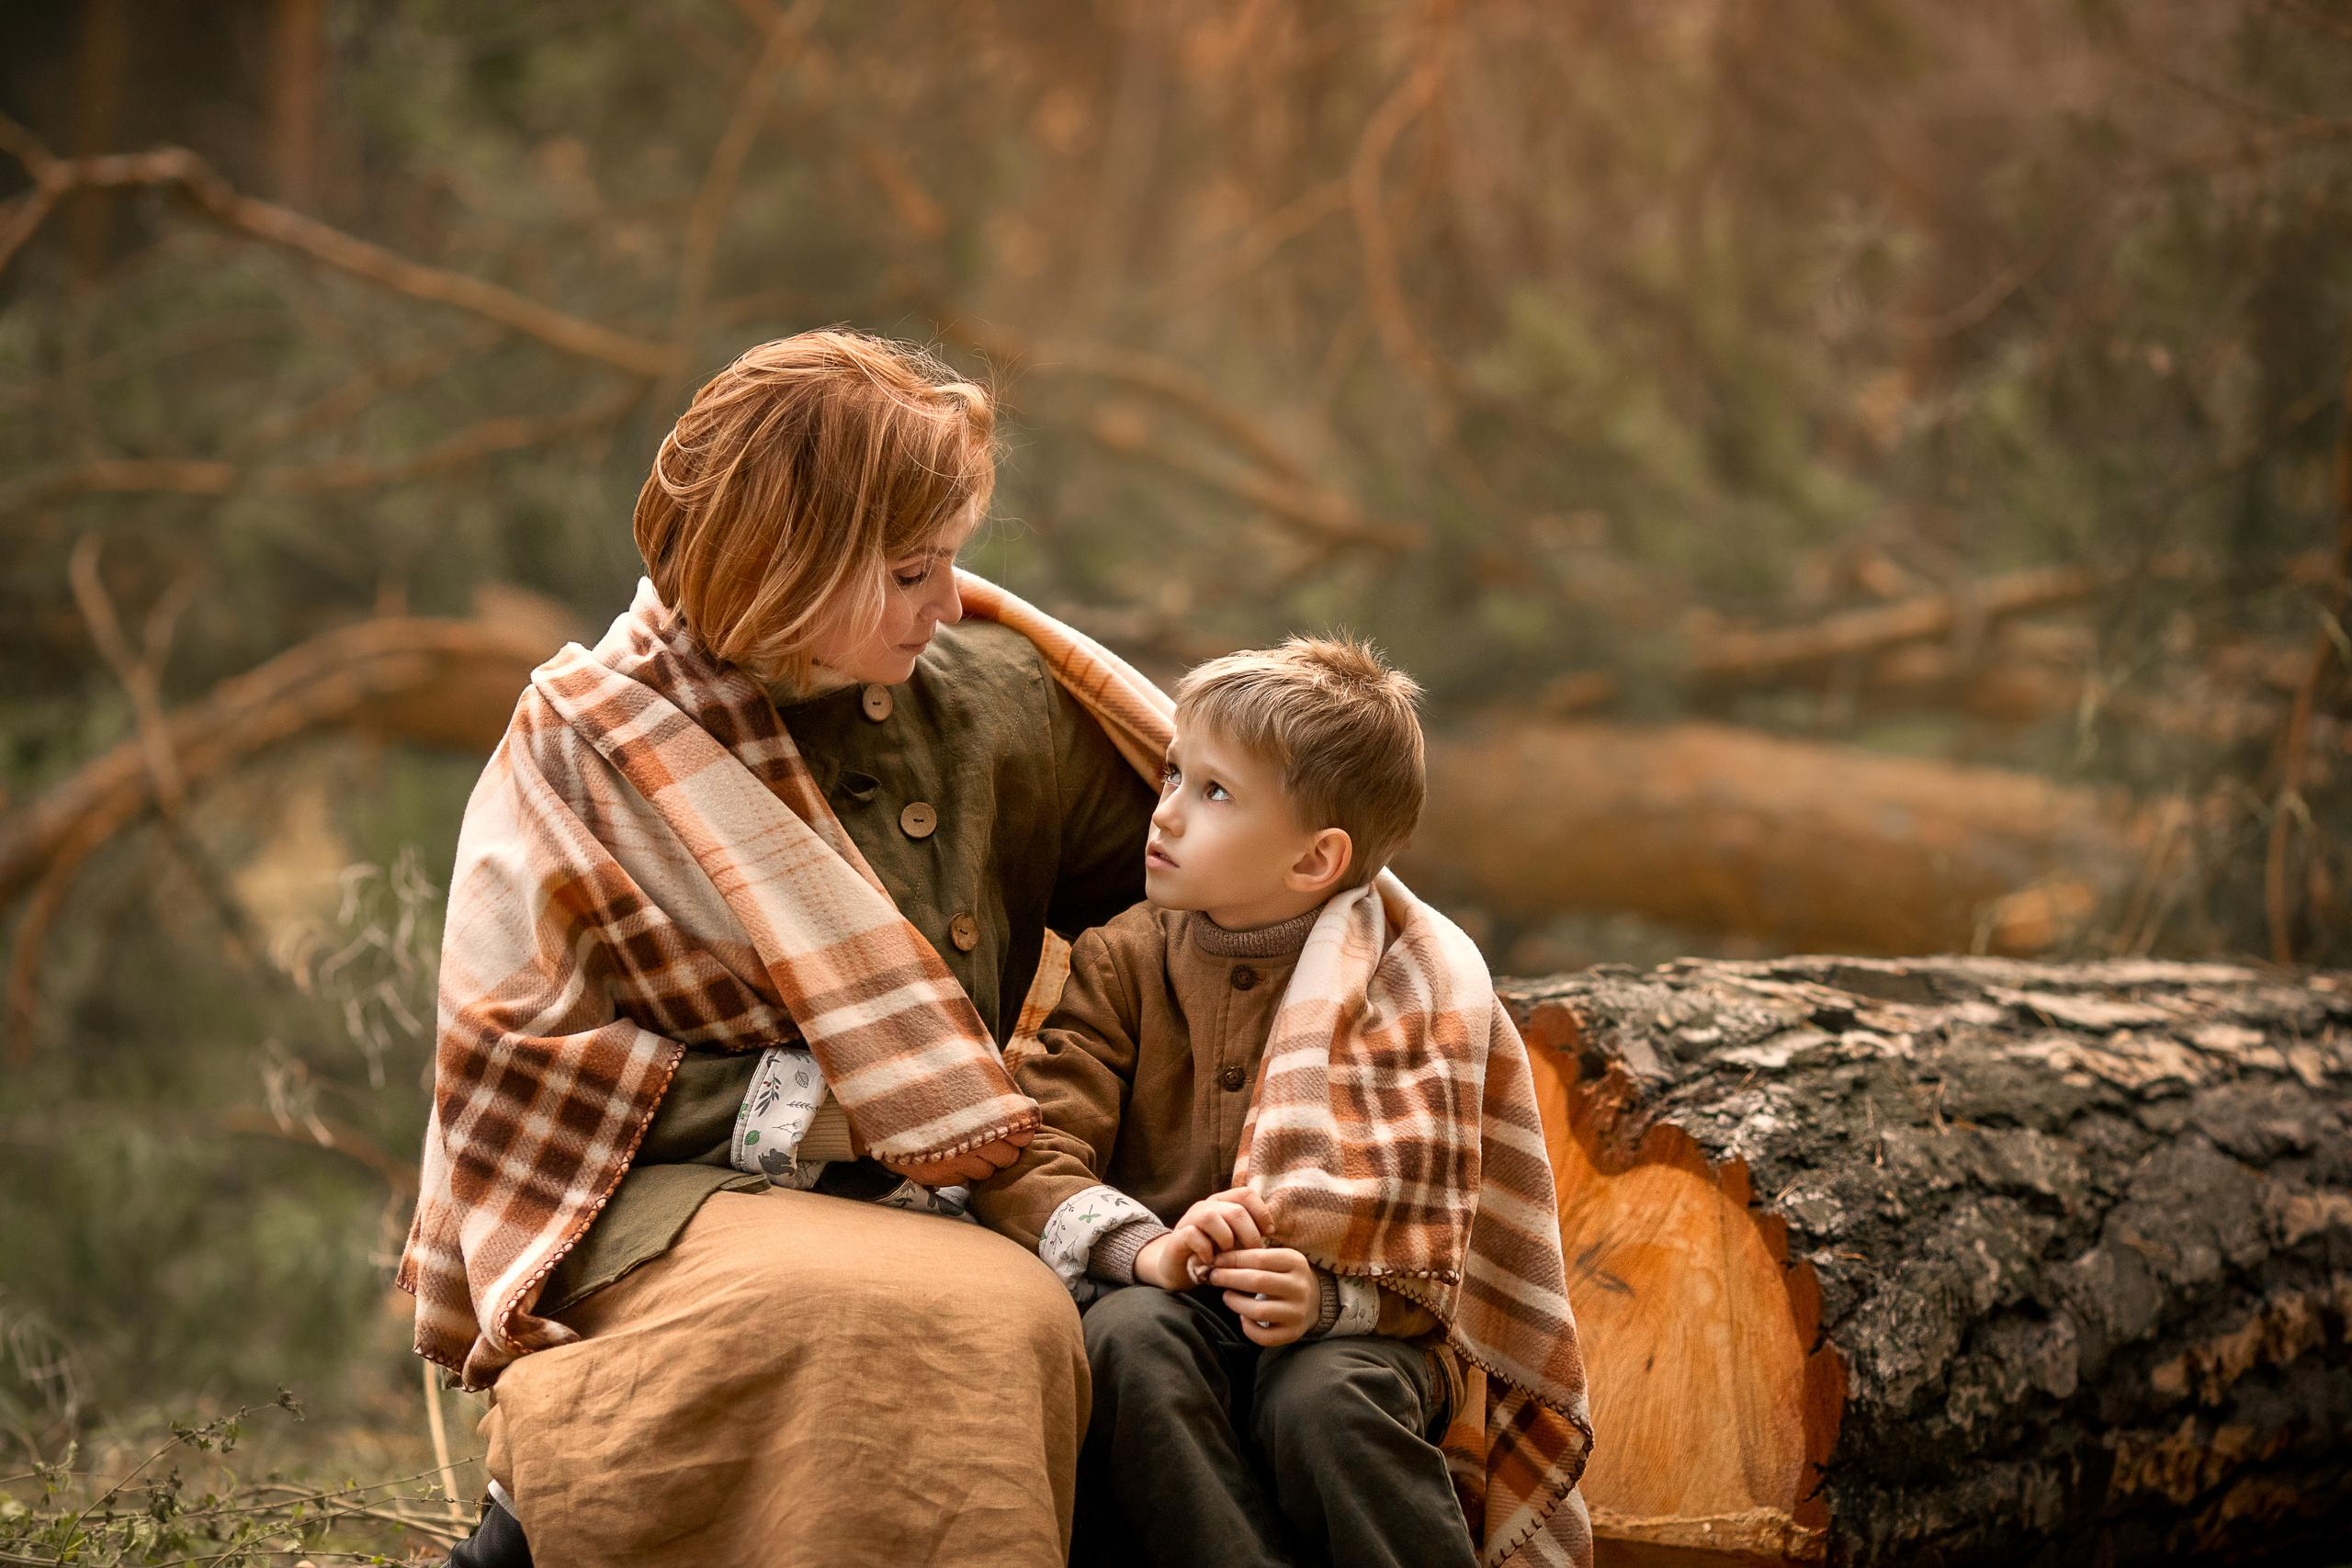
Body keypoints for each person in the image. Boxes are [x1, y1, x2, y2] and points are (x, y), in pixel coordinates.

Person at [405, 329, 1170, 1568]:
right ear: (790, 565)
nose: (951, 598)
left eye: (954, 560)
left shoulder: (995, 695)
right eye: (912, 569)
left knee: (1004, 1306)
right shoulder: (587, 740)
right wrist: (854, 1113)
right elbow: (515, 1071)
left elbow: (1196, 906)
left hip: (963, 1176)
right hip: (658, 1182)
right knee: (950, 1310)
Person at [971, 638, 1597, 1568]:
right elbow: (1038, 1143)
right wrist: (1150, 1249)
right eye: (1174, 773)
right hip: (1165, 1294)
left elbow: (1437, 1222)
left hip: (1355, 1325)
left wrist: (1333, 1295)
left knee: (1328, 1400)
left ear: (1315, 860)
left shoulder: (1411, 986)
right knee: (1128, 1346)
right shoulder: (1123, 960)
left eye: (1213, 793)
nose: (1167, 813)